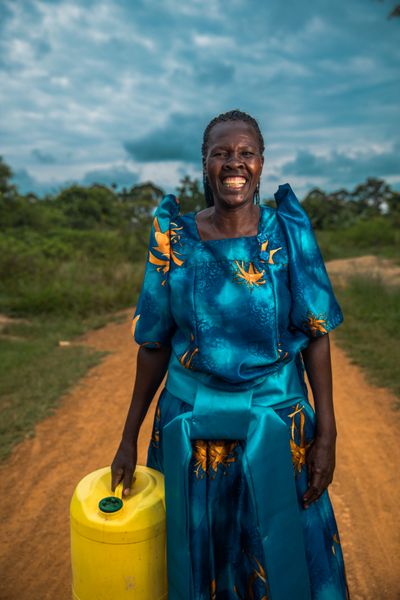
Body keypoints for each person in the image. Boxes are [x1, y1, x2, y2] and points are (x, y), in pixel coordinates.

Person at [111, 110, 350, 600]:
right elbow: (154, 344)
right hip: (190, 435)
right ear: (204, 164)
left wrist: (327, 431)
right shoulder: (172, 239)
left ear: (261, 164)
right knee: (199, 560)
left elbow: (317, 333)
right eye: (220, 153)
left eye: (245, 153)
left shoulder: (288, 233)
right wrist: (128, 435)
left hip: (280, 428)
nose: (233, 163)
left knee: (284, 562)